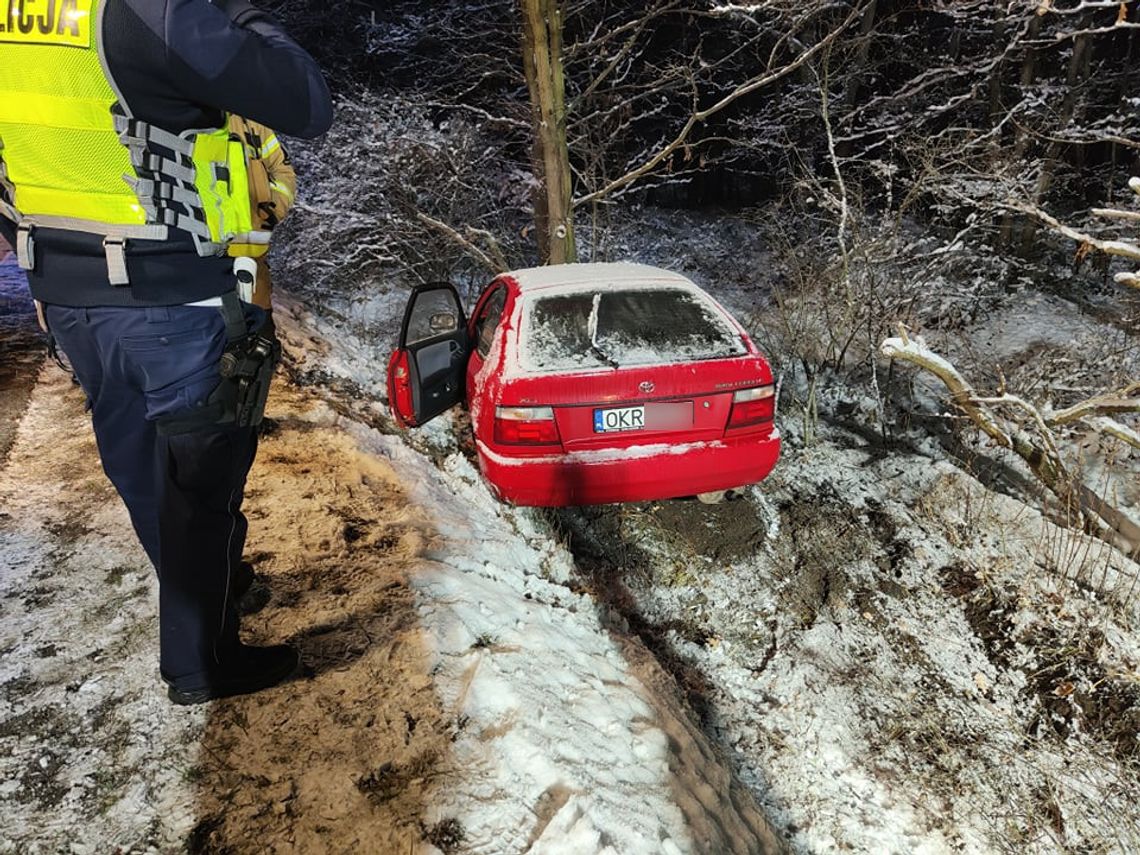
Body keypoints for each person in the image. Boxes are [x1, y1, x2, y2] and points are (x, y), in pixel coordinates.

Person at [0, 0, 333, 704]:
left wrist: (36, 250)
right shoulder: (147, 12)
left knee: (136, 461)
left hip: (69, 300)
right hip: (168, 294)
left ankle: (212, 583)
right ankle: (201, 663)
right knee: (199, 484)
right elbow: (305, 98)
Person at [227, 115, 298, 312]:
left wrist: (272, 209)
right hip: (199, 260)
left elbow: (283, 171)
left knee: (259, 334)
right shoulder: (187, 113)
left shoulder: (251, 123)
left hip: (255, 261)